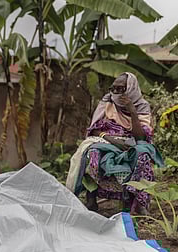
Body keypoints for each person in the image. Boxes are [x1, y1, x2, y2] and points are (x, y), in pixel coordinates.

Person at [66, 72, 163, 215]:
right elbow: (93, 129)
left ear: (131, 88)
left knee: (142, 155)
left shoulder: (142, 106)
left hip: (133, 143)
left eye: (121, 89)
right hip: (106, 140)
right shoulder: (107, 102)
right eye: (113, 88)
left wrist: (132, 111)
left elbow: (141, 136)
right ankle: (91, 199)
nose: (116, 93)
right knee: (92, 153)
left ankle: (139, 202)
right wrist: (112, 140)